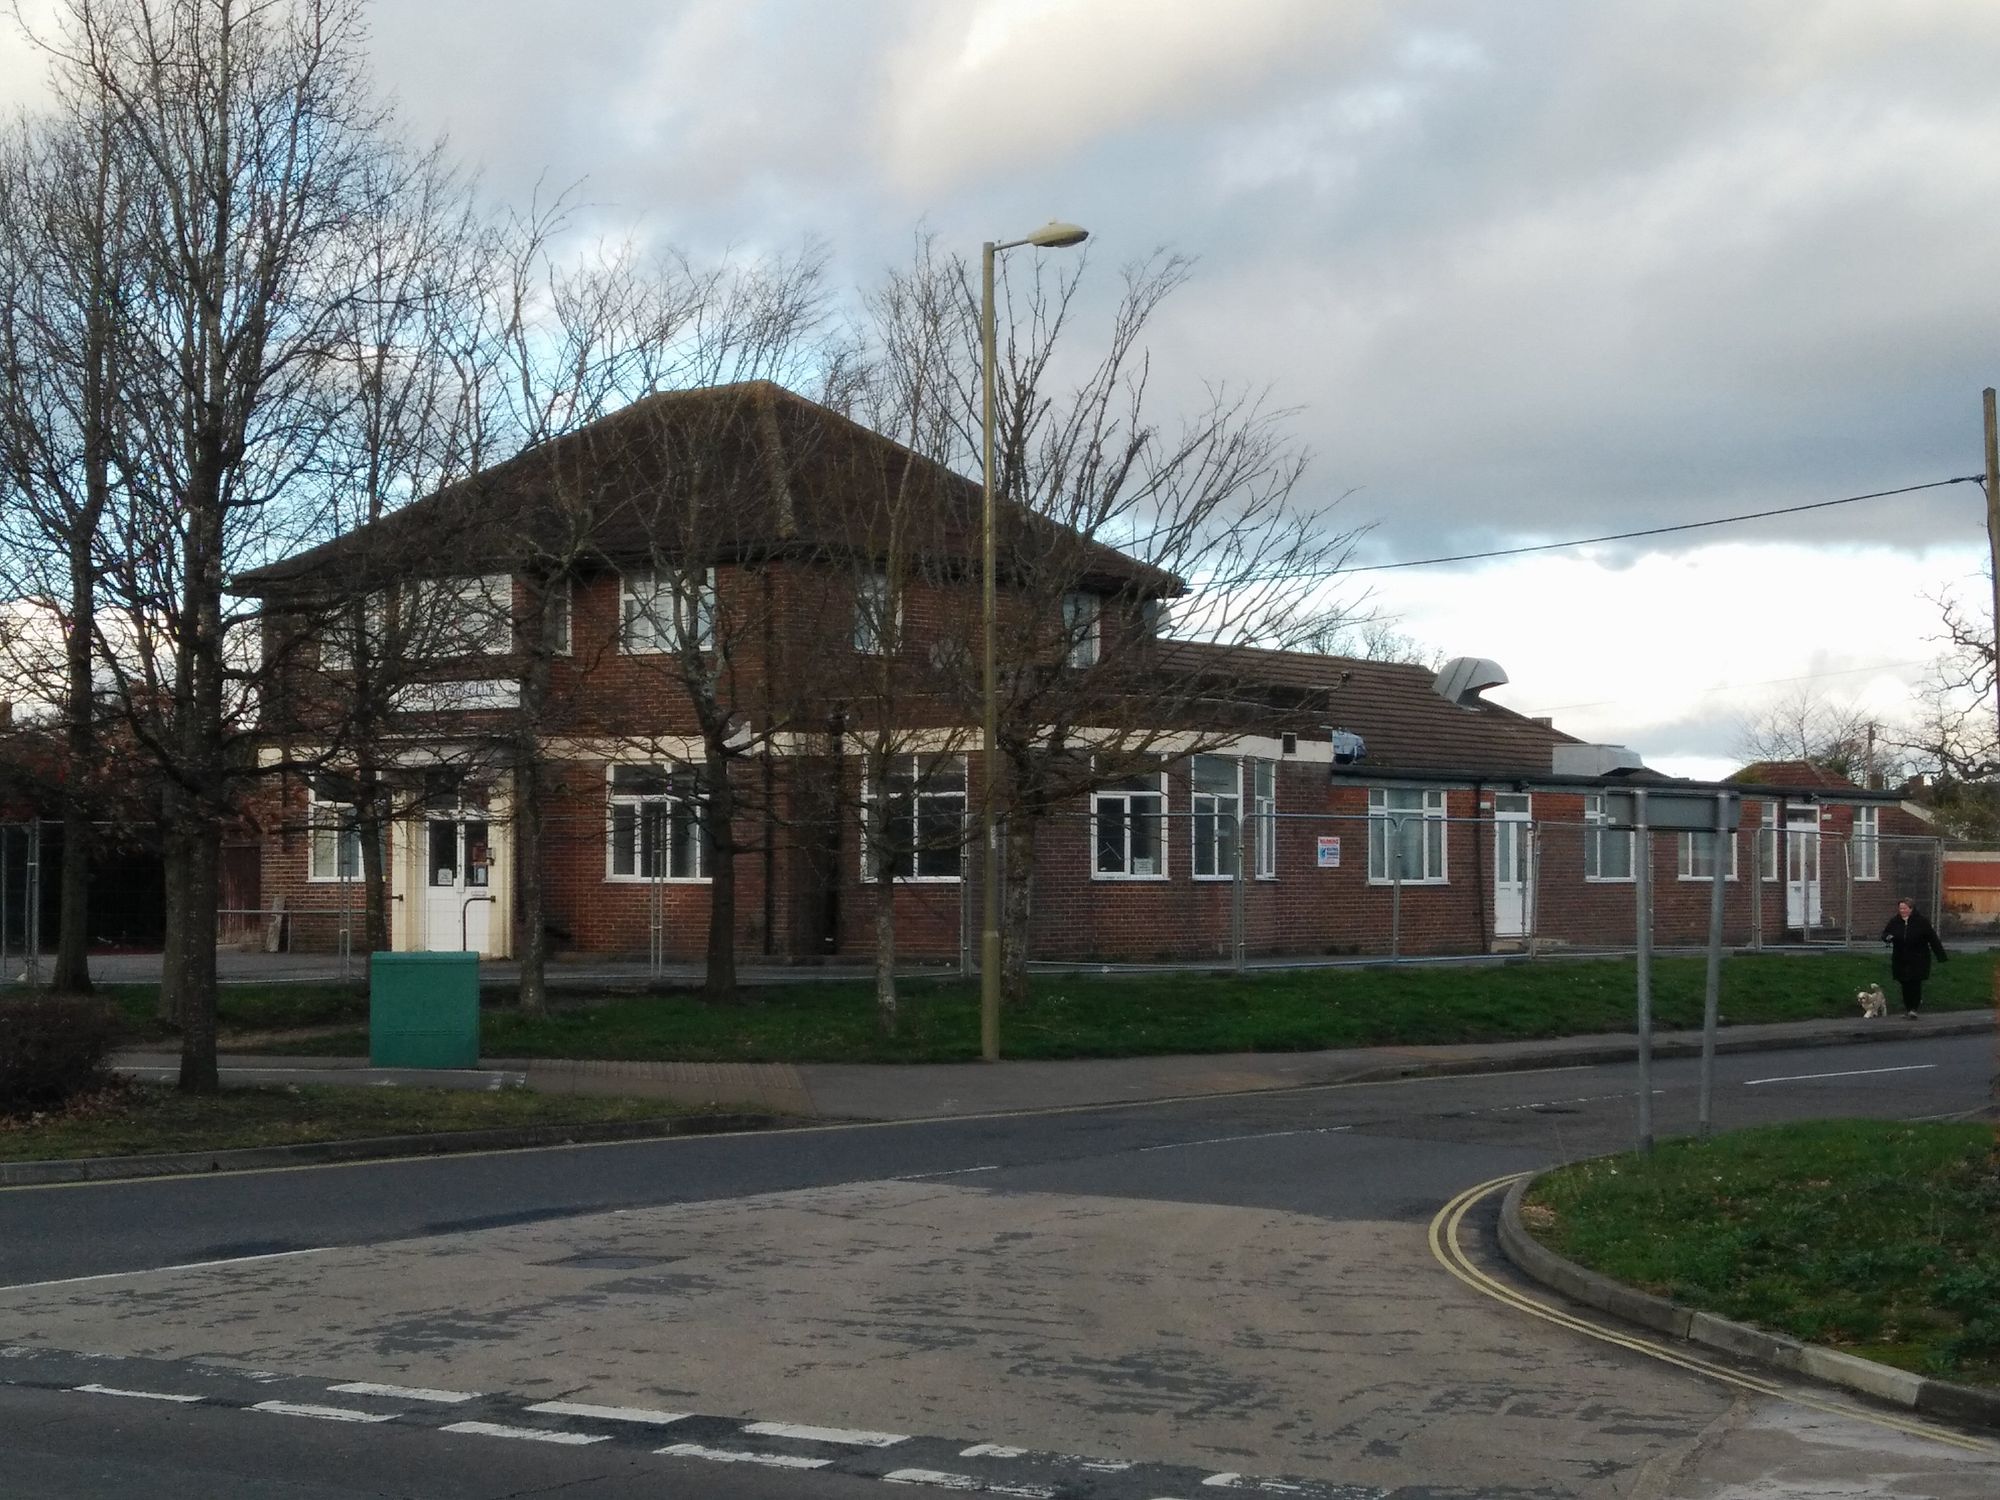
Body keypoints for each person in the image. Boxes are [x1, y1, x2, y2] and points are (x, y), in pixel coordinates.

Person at [1881, 898, 1947, 1016]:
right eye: (1900, 908)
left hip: (1918, 957)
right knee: (1904, 982)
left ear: (1911, 909)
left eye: (1905, 908)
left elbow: (1932, 938)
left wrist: (1940, 955)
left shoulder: (1921, 922)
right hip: (1900, 957)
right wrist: (1888, 937)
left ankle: (1914, 1008)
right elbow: (1885, 933)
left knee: (1915, 982)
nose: (1902, 911)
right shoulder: (1895, 921)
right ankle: (1908, 1008)